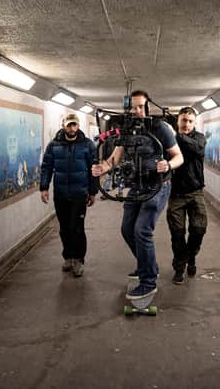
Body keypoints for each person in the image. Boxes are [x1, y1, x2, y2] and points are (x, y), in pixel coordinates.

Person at [92, 91, 183, 300]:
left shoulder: (160, 128)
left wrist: (167, 164)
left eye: (140, 107)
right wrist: (102, 169)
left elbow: (179, 156)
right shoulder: (127, 130)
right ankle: (148, 265)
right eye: (132, 107)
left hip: (158, 185)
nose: (136, 111)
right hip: (137, 185)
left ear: (148, 107)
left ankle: (148, 281)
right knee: (127, 230)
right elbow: (113, 159)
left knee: (142, 230)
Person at [40, 113, 97, 277]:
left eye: (74, 125)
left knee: (77, 228)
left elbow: (94, 170)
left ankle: (79, 259)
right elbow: (46, 167)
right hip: (61, 195)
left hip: (79, 194)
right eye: (69, 125)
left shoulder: (87, 145)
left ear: (78, 126)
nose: (72, 128)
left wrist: (92, 192)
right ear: (63, 125)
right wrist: (44, 188)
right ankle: (68, 257)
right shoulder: (54, 145)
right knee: (64, 229)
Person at [167, 107, 207, 284]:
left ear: (195, 122)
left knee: (198, 230)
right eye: (184, 120)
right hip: (176, 195)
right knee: (177, 234)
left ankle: (191, 257)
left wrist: (174, 136)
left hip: (196, 193)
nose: (187, 124)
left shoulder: (199, 138)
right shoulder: (170, 141)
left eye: (190, 121)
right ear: (178, 121)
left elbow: (196, 148)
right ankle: (179, 266)